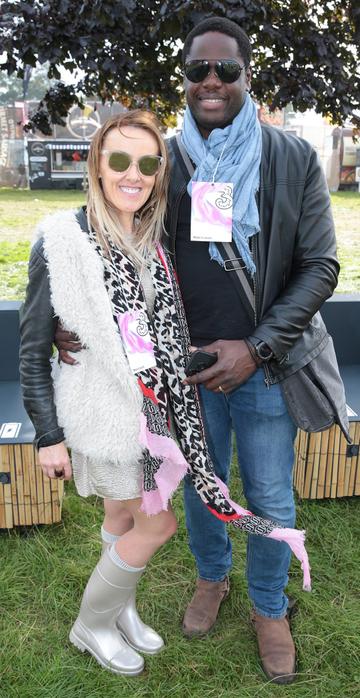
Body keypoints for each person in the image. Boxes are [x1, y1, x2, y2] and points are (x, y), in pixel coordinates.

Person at [52, 17, 346, 685]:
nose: (211, 81)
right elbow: (109, 232)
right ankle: (213, 578)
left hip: (266, 365)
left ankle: (270, 608)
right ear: (184, 80)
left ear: (248, 77)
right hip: (182, 366)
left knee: (270, 495)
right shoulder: (166, 160)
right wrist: (70, 317)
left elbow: (319, 266)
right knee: (196, 484)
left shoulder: (290, 158)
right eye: (198, 71)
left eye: (226, 70)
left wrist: (257, 347)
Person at [19, 108, 310, 678]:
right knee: (158, 524)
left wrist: (239, 349)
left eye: (148, 162)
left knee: (124, 520)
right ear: (98, 165)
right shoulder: (62, 240)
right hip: (103, 415)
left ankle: (119, 611)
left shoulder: (147, 240)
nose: (135, 173)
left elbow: (153, 334)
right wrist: (47, 435)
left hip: (152, 412)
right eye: (120, 160)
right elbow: (32, 346)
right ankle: (92, 623)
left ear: (159, 171)